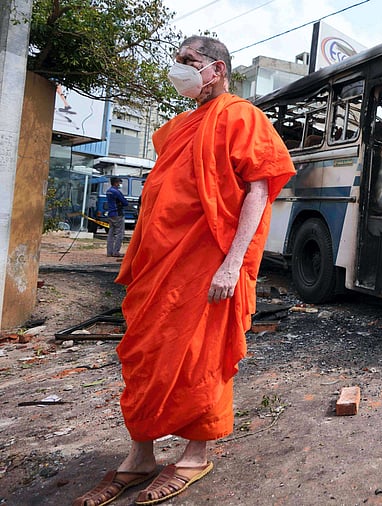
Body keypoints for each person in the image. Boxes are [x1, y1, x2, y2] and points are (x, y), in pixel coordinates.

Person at [73, 36, 295, 506]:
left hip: (206, 263)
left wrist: (232, 263)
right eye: (177, 62)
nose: (179, 70)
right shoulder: (178, 128)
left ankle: (195, 455)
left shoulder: (242, 116)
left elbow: (258, 192)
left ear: (216, 69)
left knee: (200, 356)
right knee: (144, 354)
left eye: (188, 62)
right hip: (158, 265)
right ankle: (141, 457)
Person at [105, 177, 130, 257]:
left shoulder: (108, 191)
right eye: (119, 183)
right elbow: (124, 202)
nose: (120, 184)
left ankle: (109, 252)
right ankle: (116, 252)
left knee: (111, 233)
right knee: (120, 233)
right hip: (118, 214)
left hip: (110, 214)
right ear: (116, 183)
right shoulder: (116, 192)